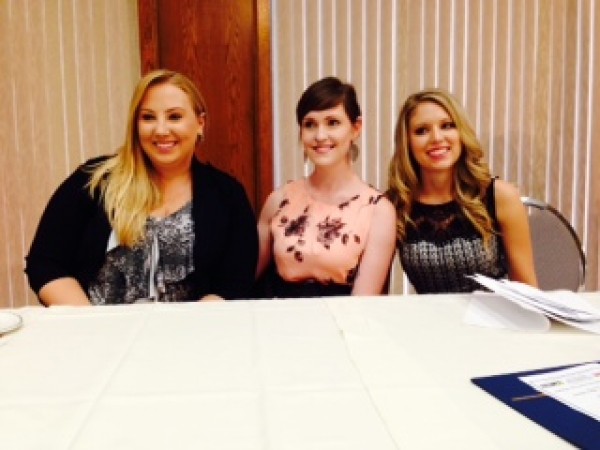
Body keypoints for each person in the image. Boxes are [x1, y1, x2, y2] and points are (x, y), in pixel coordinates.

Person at [25, 69, 258, 306]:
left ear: (200, 123)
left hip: (189, 335)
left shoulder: (227, 195)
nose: (161, 130)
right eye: (148, 118)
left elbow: (235, 282)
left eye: (174, 117)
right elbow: (45, 262)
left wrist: (193, 329)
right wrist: (89, 323)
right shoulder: (94, 180)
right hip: (97, 334)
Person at [255, 76, 397, 298]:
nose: (320, 136)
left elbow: (363, 302)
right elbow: (245, 279)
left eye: (332, 122)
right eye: (310, 124)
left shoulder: (378, 210)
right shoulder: (279, 200)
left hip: (343, 326)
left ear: (356, 128)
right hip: (278, 324)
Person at [387, 88, 538, 293]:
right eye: (422, 130)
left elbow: (527, 288)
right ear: (407, 143)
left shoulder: (500, 196)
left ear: (461, 133)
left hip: (495, 320)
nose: (436, 138)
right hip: (427, 321)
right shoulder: (395, 205)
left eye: (447, 126)